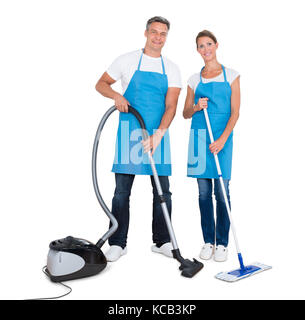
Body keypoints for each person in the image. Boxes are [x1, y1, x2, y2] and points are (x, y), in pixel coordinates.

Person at [95, 16, 182, 262]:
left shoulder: (172, 68)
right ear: (146, 33)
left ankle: (162, 241)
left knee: (163, 191)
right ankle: (117, 242)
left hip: (158, 134)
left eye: (163, 33)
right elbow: (100, 84)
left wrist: (158, 135)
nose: (158, 37)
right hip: (129, 134)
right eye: (154, 32)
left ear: (167, 37)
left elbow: (171, 106)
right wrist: (115, 96)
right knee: (122, 192)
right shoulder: (127, 60)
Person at [183, 30, 240, 262]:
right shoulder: (193, 80)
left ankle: (223, 243)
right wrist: (196, 106)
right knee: (204, 193)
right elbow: (185, 113)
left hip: (222, 138)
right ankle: (208, 241)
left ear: (216, 45)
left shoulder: (232, 75)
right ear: (197, 50)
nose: (205, 49)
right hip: (199, 138)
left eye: (209, 44)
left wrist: (223, 139)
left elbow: (235, 112)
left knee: (222, 192)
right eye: (201, 46)